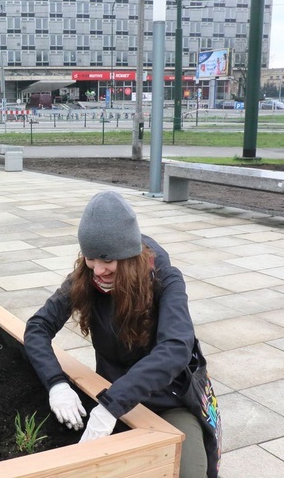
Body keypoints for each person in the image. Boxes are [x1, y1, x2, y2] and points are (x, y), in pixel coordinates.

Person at [24, 191, 220, 478]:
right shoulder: (87, 277)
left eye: (107, 261)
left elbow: (176, 348)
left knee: (190, 473)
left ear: (129, 257)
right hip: (112, 394)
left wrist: (109, 408)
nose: (98, 270)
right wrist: (57, 385)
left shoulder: (166, 280)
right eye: (90, 258)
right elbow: (37, 327)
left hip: (167, 402)